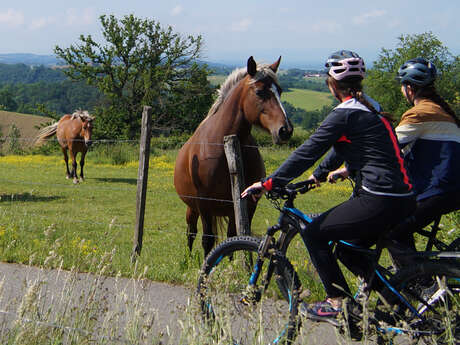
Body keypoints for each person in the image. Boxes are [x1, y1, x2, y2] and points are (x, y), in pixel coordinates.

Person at [241, 50, 416, 325]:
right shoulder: (370, 106)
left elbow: (308, 151)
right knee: (347, 250)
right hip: (402, 197)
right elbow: (341, 148)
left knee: (314, 233)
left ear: (331, 83)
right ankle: (392, 305)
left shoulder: (344, 114)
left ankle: (338, 303)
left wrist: (270, 182)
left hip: (379, 198)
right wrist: (318, 175)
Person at [387, 57, 460, 268]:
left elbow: (388, 146)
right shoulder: (445, 112)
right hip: (452, 190)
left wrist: (347, 168)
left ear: (409, 88)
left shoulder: (418, 114)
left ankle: (417, 282)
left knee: (392, 232)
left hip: (436, 190)